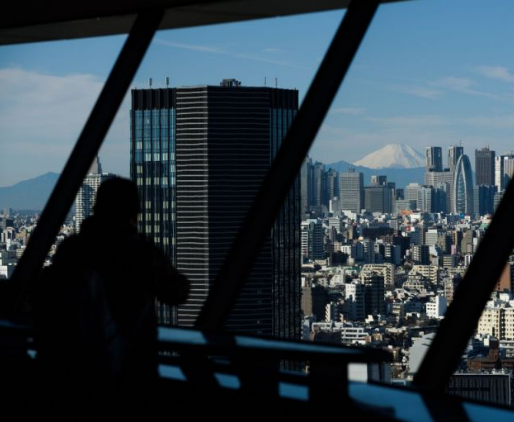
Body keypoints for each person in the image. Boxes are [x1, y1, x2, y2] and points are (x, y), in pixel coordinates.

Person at [31, 177, 189, 418]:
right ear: (132, 213)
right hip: (130, 373)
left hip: (70, 372)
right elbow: (177, 293)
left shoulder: (73, 249)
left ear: (96, 209)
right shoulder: (140, 254)